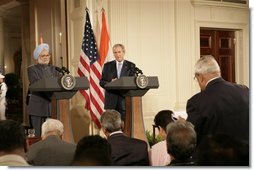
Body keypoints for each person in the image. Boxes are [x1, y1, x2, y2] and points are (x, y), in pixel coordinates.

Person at [186, 55, 249, 147]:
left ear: (200, 77)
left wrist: (183, 126)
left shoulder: (196, 102)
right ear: (218, 72)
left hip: (214, 158)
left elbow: (191, 137)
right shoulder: (245, 91)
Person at [27, 43, 60, 136]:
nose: (46, 57)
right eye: (43, 55)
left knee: (51, 134)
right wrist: (52, 94)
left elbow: (59, 83)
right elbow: (35, 84)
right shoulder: (32, 69)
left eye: (47, 55)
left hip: (52, 107)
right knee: (38, 135)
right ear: (38, 57)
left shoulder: (55, 69)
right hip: (38, 107)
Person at [100, 44, 136, 120]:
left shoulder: (131, 66)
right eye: (115, 52)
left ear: (123, 52)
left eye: (119, 52)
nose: (117, 55)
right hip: (111, 100)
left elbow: (132, 82)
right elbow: (102, 82)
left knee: (124, 124)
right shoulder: (107, 66)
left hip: (124, 100)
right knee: (110, 124)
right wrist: (110, 82)